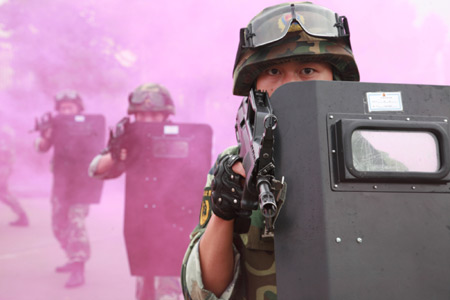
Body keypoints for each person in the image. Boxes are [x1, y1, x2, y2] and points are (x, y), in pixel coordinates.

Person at [181, 2, 359, 300]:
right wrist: (224, 211)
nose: (289, 86)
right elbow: (202, 291)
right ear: (255, 89)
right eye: (274, 71)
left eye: (307, 70)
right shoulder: (235, 165)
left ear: (335, 81)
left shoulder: (373, 161)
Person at [88, 83, 178, 300]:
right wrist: (117, 154)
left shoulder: (184, 138)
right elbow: (95, 169)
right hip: (142, 223)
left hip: (175, 222)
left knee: (168, 287)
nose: (147, 120)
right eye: (142, 115)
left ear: (166, 115)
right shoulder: (128, 139)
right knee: (145, 286)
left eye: (154, 115)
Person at [35, 90, 97, 288]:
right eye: (62, 108)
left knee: (76, 221)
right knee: (58, 225)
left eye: (70, 107)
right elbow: (41, 147)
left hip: (83, 182)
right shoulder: (56, 126)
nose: (66, 110)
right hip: (61, 182)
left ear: (79, 108)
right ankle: (72, 257)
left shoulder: (91, 125)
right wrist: (46, 134)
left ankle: (78, 267)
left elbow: (100, 147)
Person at [0, 124, 29, 227]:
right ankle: (22, 215)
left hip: (3, 166)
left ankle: (22, 216)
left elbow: (4, 151)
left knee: (3, 192)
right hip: (5, 165)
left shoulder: (4, 131)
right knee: (3, 193)